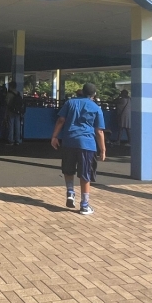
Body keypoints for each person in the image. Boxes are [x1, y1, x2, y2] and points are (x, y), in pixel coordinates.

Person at [50, 82, 106, 215]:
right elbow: (99, 131)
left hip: (69, 141)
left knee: (68, 169)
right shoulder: (96, 108)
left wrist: (54, 136)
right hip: (87, 144)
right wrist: (102, 149)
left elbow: (61, 120)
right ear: (94, 94)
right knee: (85, 174)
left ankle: (70, 192)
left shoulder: (70, 103)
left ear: (81, 91)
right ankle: (85, 205)